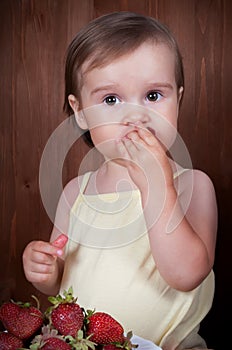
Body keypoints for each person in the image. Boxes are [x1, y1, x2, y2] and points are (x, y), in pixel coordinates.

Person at [22, 12, 217, 350]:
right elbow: (62, 286)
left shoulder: (192, 186)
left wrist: (157, 187)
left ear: (179, 100)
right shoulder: (74, 193)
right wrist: (46, 271)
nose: (136, 116)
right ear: (80, 111)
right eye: (111, 100)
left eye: (154, 96)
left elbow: (186, 276)